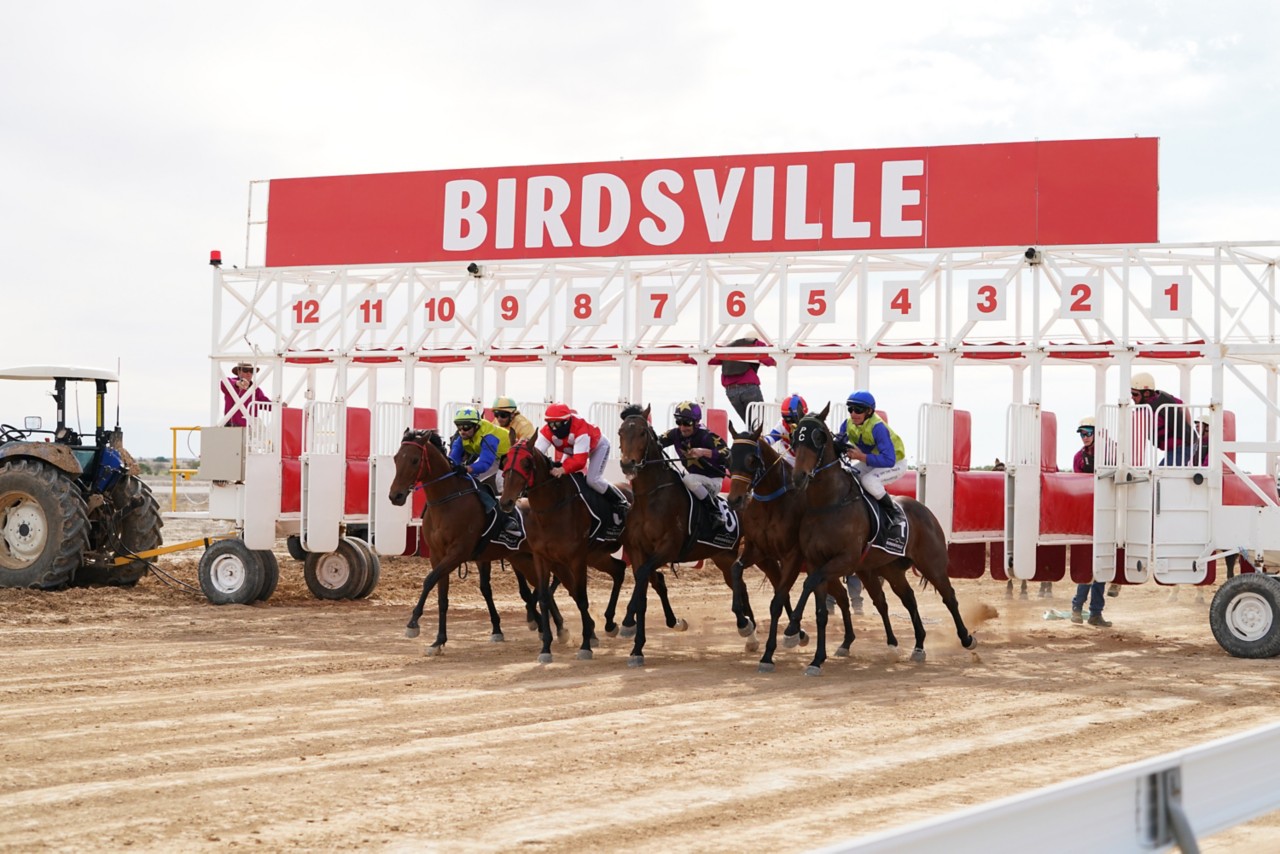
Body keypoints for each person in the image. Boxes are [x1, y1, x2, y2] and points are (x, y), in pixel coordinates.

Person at [535, 403, 630, 515]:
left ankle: (620, 501)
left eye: (556, 424)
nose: (553, 428)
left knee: (592, 480)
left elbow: (580, 461)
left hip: (597, 447)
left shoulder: (580, 428)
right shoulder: (546, 431)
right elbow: (536, 455)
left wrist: (562, 469)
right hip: (572, 449)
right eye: (550, 424)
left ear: (566, 421)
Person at [839, 390, 907, 532]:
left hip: (895, 463)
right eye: (850, 409)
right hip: (872, 461)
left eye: (858, 410)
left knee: (869, 481)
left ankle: (894, 513)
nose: (853, 414)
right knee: (847, 474)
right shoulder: (847, 424)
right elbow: (838, 442)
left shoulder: (878, 428)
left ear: (869, 411)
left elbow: (888, 460)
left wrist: (860, 457)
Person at [659, 401, 730, 534]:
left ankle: (715, 511)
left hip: (713, 482)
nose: (682, 427)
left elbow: (728, 453)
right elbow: (655, 442)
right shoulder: (675, 434)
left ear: (696, 422)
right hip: (695, 480)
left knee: (688, 479)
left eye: (687, 423)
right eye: (678, 422)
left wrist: (703, 452)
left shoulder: (706, 436)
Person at [1131, 371, 1193, 466]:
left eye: (1135, 394)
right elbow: (1183, 406)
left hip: (1182, 448)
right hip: (1182, 446)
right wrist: (1188, 428)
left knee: (1161, 476)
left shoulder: (1147, 411)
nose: (1132, 397)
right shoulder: (1163, 396)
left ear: (1146, 393)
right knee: (1160, 474)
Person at [709, 337, 776, 425]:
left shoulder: (727, 348)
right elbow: (770, 360)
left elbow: (710, 359)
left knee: (749, 425)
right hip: (749, 388)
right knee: (759, 425)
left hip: (731, 392)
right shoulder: (755, 344)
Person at [448, 405, 511, 490]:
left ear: (476, 426)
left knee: (500, 483)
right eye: (459, 426)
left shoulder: (488, 437)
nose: (462, 431)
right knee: (469, 479)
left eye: (466, 427)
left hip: (508, 456)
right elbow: (453, 458)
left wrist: (466, 468)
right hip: (493, 455)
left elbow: (484, 464)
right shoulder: (463, 436)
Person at [221, 361, 269, 427]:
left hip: (250, 428)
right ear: (239, 372)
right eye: (245, 370)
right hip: (232, 427)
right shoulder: (230, 383)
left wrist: (280, 406)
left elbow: (266, 403)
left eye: (251, 371)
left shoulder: (256, 390)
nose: (249, 373)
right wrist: (238, 384)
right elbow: (224, 383)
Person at [765, 394, 808, 464]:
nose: (790, 424)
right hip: (787, 465)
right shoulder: (782, 424)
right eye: (787, 420)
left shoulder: (810, 425)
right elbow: (770, 438)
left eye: (793, 420)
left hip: (805, 466)